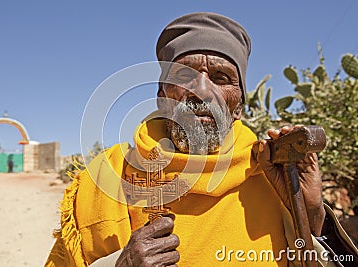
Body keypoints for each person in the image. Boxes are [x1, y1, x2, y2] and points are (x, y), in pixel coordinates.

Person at [45, 12, 358, 266]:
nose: (201, 91)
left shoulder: (273, 175)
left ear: (239, 107)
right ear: (160, 95)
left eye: (221, 79)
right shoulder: (107, 176)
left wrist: (311, 214)